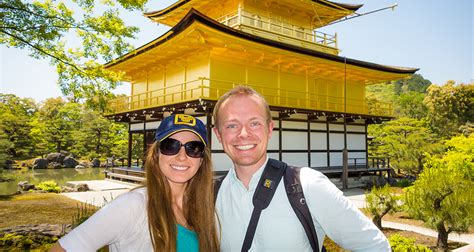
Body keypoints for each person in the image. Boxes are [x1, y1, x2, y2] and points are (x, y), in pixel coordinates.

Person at [213, 85, 390, 251]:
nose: (243, 134)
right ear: (218, 134)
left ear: (269, 129)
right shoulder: (210, 196)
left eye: (254, 123)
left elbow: (376, 246)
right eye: (232, 125)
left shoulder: (306, 185)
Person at [51, 114, 219, 252]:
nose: (182, 156)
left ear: (202, 160)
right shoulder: (133, 205)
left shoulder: (204, 207)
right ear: (156, 155)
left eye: (193, 148)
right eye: (170, 146)